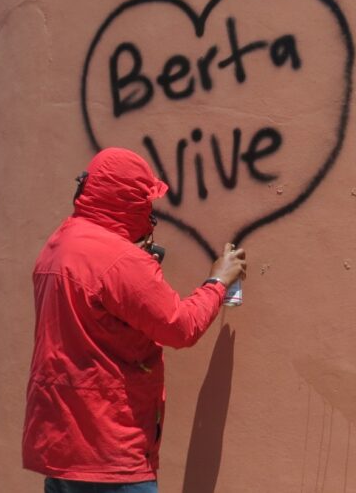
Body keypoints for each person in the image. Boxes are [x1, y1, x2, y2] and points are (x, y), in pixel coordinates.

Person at [22, 148, 247, 492]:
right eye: (146, 202)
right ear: (128, 200)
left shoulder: (60, 241)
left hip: (61, 444)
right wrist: (218, 281)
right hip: (111, 450)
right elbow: (181, 328)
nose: (151, 212)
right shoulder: (121, 260)